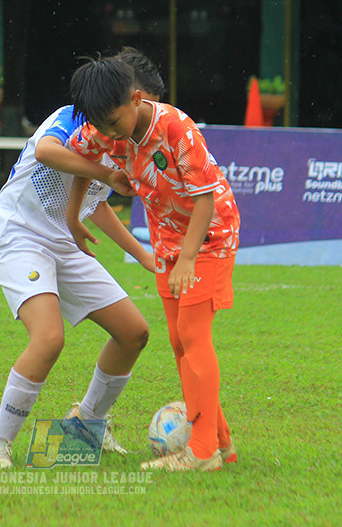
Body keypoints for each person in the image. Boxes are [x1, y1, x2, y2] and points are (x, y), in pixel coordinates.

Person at [0, 58, 165, 468]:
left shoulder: (121, 137)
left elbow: (95, 204)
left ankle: (85, 424)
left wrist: (143, 255)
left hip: (64, 241)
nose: (145, 118)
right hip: (19, 234)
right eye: (144, 106)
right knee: (48, 338)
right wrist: (104, 174)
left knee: (133, 333)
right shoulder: (71, 119)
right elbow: (46, 152)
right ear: (129, 94)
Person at [66, 55, 240, 472]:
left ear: (137, 99)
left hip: (210, 238)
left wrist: (189, 258)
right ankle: (220, 442)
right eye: (101, 125)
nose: (108, 134)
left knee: (193, 336)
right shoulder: (106, 129)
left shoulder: (176, 128)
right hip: (166, 245)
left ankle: (201, 453)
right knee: (180, 343)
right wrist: (73, 215)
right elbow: (80, 163)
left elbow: (205, 198)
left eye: (113, 121)